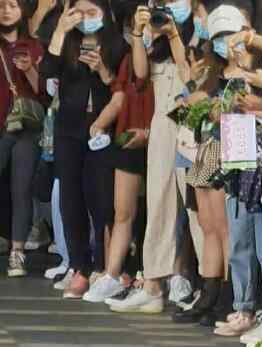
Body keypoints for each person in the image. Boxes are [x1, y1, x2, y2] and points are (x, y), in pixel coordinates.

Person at [108, 0, 204, 314]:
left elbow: (192, 76)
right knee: (159, 199)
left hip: (194, 119)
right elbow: (140, 75)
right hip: (163, 120)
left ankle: (211, 286)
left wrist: (175, 34)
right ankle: (152, 283)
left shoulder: (200, 28)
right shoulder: (155, 33)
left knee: (196, 207)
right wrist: (138, 33)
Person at [39, 0, 125, 298]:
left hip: (102, 128)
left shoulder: (116, 44)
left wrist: (102, 69)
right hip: (68, 128)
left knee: (101, 199)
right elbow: (46, 72)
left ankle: (104, 265)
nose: (86, 19)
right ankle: (78, 266)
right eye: (80, 13)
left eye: (92, 13)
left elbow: (120, 88)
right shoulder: (67, 40)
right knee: (70, 198)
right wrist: (61, 30)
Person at [81, 2, 154, 303]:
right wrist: (99, 123)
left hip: (158, 140)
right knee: (122, 211)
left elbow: (143, 76)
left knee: (160, 216)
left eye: (144, 24)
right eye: (134, 26)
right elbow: (120, 95)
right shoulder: (126, 58)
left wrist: (150, 134)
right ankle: (111, 274)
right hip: (128, 140)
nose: (138, 30)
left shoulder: (169, 56)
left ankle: (155, 280)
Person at [0, 0, 45, 278]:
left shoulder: (36, 46)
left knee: (22, 190)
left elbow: (46, 92)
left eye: (13, 5)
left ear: (23, 11)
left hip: (27, 129)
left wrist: (29, 68)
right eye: (1, 5)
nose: (6, 10)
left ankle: (18, 252)